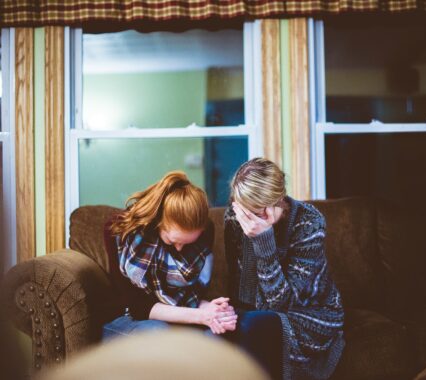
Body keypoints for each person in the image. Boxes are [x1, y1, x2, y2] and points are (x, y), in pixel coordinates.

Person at [224, 158, 345, 380]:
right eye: (245, 211)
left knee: (254, 325)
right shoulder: (235, 218)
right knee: (225, 326)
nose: (248, 220)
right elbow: (243, 291)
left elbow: (281, 304)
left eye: (257, 212)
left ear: (279, 200)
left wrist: (264, 240)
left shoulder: (309, 222)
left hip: (310, 313)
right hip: (258, 310)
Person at [103, 171, 237, 338]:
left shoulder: (205, 233)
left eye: (187, 243)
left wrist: (214, 311)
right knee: (159, 333)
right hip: (127, 317)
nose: (180, 249)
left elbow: (191, 297)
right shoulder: (119, 232)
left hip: (177, 316)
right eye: (172, 241)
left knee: (216, 336)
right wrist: (202, 316)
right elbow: (139, 307)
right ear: (158, 222)